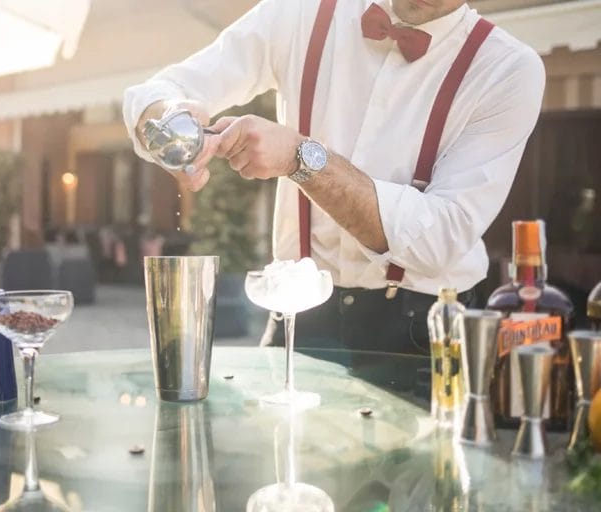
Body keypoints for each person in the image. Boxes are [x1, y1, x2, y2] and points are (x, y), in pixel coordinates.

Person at [123, 0, 545, 355]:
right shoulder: (302, 12)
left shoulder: (507, 69)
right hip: (297, 317)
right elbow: (159, 92)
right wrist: (173, 125)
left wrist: (301, 158)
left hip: (424, 330)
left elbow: (439, 238)